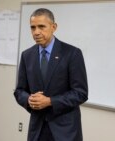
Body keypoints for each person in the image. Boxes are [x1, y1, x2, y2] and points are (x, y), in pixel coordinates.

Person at [14, 8, 88, 141]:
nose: (36, 32)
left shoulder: (72, 54)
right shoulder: (27, 55)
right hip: (37, 130)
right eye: (33, 27)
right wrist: (29, 100)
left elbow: (80, 93)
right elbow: (19, 91)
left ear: (54, 27)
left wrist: (49, 101)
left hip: (65, 131)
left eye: (41, 27)